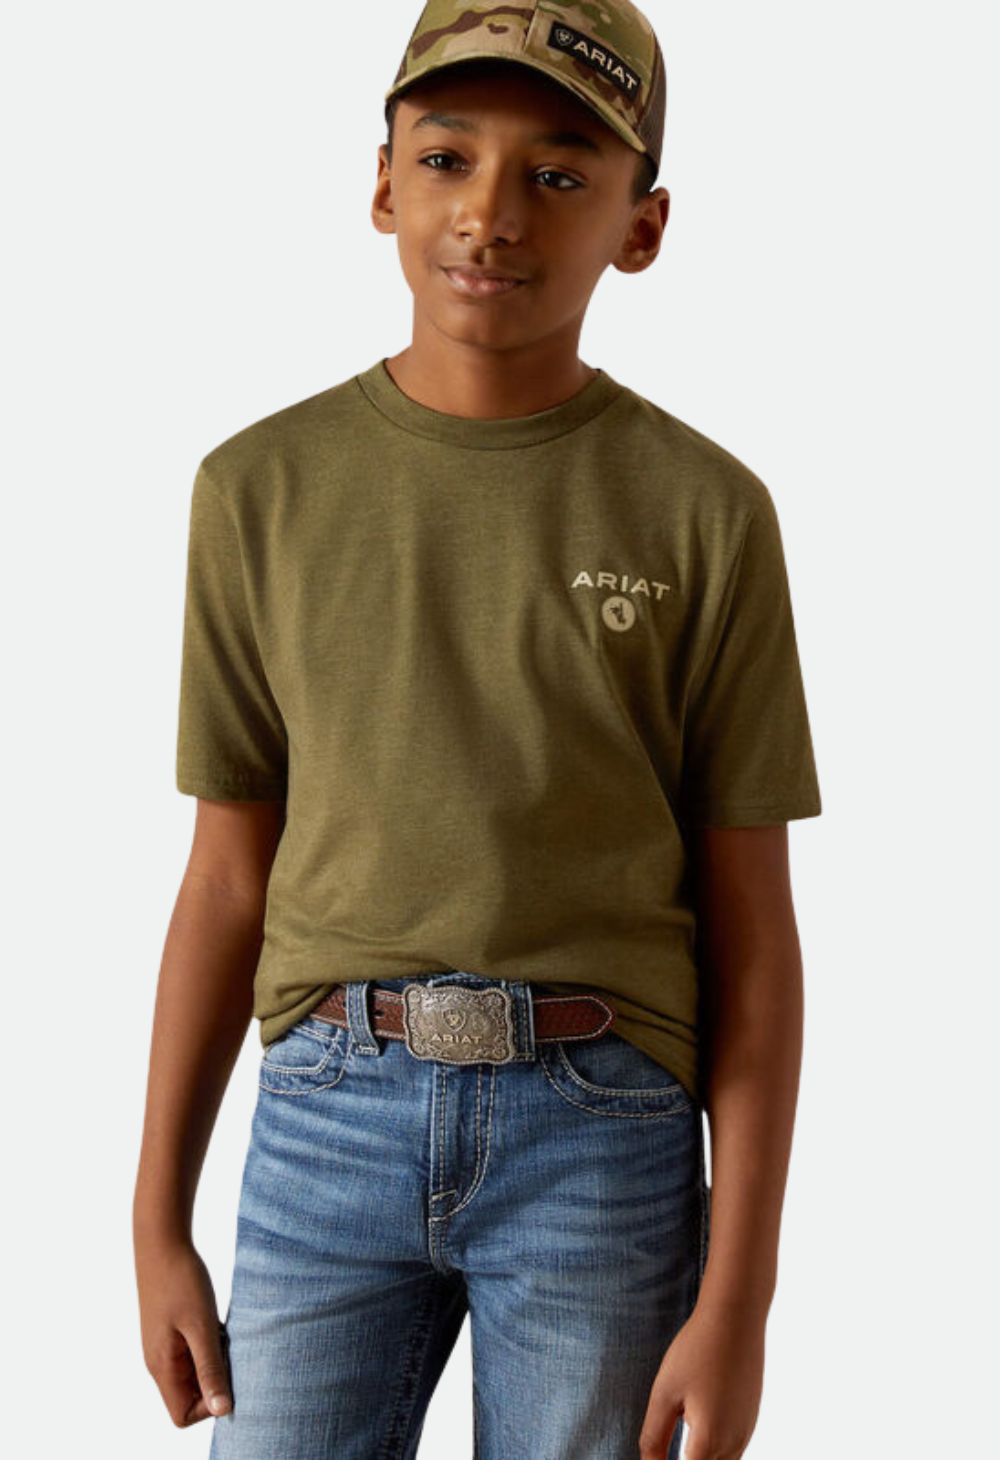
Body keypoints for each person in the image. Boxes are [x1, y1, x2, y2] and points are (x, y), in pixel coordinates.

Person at [133, 3, 822, 1457]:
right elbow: (226, 878)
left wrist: (742, 1297)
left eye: (560, 174)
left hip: (602, 1136)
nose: (492, 213)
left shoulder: (706, 514)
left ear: (642, 226)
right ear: (384, 183)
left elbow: (752, 926)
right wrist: (155, 1221)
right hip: (324, 1118)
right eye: (448, 158)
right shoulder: (258, 491)